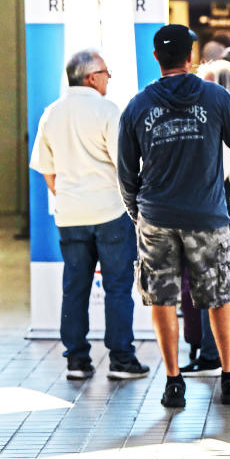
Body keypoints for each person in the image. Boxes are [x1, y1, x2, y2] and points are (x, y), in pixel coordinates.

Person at [117, 24, 230, 408]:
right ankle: (229, 378)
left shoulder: (137, 106)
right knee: (219, 296)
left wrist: (137, 215)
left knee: (163, 299)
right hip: (208, 217)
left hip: (156, 217)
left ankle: (173, 382)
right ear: (190, 57)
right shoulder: (216, 97)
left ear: (157, 57)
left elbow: (126, 173)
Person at [29, 49, 149, 381]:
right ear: (91, 77)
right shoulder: (108, 111)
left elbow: (46, 170)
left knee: (75, 286)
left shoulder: (51, 113)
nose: (109, 79)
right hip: (110, 211)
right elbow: (125, 165)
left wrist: (67, 196)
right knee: (117, 285)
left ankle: (77, 360)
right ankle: (122, 358)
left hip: (70, 214)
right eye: (106, 73)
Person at [179, 60, 230, 376]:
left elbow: (212, 173)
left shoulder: (218, 124)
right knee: (228, 281)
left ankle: (215, 355)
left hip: (215, 211)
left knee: (214, 285)